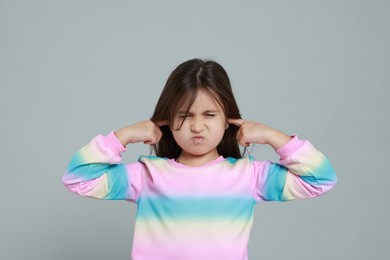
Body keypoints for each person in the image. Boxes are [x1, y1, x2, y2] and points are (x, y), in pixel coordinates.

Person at [62, 58, 337, 260]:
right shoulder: (147, 175)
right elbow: (77, 179)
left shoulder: (249, 176)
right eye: (184, 115)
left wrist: (274, 136)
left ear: (228, 119)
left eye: (209, 115)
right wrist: (122, 136)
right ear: (168, 120)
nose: (197, 126)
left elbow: (320, 180)